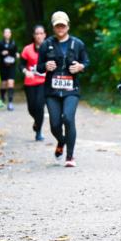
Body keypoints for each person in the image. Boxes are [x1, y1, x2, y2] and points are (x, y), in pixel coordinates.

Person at [37, 11, 89, 167]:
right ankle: (61, 140)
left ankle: (70, 157)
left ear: (68, 26)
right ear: (53, 27)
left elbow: (86, 62)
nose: (60, 28)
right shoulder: (46, 44)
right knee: (54, 124)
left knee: (68, 117)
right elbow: (39, 67)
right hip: (52, 91)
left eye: (63, 25)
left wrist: (80, 67)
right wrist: (45, 66)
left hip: (71, 89)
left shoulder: (77, 44)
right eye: (57, 25)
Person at [20, 24, 48, 141]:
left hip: (44, 81)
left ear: (45, 35)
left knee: (39, 106)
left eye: (41, 33)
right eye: (37, 33)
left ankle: (38, 131)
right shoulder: (27, 49)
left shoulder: (50, 48)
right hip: (30, 82)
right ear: (34, 35)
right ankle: (37, 121)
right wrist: (25, 71)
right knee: (32, 107)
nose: (39, 36)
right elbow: (20, 64)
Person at [0, 28, 19, 110]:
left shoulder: (14, 43)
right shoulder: (0, 44)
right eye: (6, 32)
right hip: (3, 66)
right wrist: (1, 53)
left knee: (11, 82)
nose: (7, 34)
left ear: (11, 34)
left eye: (9, 32)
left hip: (12, 65)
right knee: (4, 83)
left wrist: (17, 55)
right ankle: (2, 98)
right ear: (3, 34)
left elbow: (16, 53)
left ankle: (10, 102)